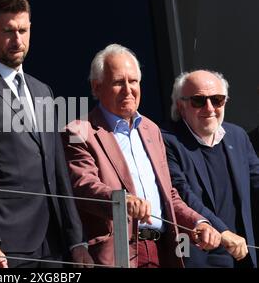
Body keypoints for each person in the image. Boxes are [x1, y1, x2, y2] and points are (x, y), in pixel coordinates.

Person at [0, 0, 93, 268]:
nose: (17, 40)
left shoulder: (43, 91)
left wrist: (77, 241)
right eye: (8, 31)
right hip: (5, 245)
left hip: (54, 245)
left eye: (23, 30)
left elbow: (58, 172)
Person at [62, 44, 221, 268]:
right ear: (96, 87)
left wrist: (197, 222)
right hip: (117, 254)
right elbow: (83, 185)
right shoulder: (78, 131)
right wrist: (121, 200)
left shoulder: (151, 129)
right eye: (118, 82)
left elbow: (168, 195)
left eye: (134, 81)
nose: (128, 90)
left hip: (162, 252)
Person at [162, 70, 259, 267]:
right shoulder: (166, 140)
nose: (210, 108)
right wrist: (223, 232)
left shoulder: (237, 135)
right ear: (181, 106)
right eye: (198, 101)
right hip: (200, 257)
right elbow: (181, 194)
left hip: (243, 256)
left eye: (217, 100)